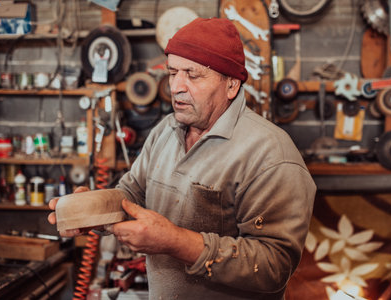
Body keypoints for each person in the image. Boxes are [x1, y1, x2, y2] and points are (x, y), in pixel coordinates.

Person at [49, 17, 316, 299]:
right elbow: (132, 193)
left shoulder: (270, 154)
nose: (176, 86)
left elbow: (275, 265)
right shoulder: (166, 130)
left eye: (193, 74)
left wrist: (175, 242)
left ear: (231, 85)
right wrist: (94, 210)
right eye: (172, 72)